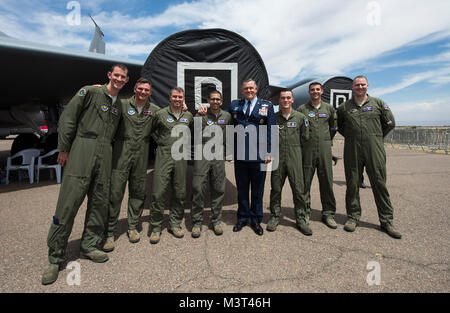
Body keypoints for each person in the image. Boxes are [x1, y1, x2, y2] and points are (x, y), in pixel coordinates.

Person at [41, 64, 129, 285]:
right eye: (116, 75)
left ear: (126, 81)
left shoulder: (118, 106)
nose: (119, 79)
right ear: (109, 75)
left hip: (104, 153)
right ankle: (55, 257)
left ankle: (89, 245)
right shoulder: (89, 92)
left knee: (99, 202)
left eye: (123, 77)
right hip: (83, 148)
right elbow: (68, 118)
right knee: (68, 203)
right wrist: (64, 148)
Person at [337, 75, 401, 239]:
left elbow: (390, 123)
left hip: (374, 149)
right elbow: (341, 127)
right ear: (352, 87)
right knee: (352, 184)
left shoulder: (378, 103)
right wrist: (354, 137)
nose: (360, 87)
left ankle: (387, 220)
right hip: (352, 149)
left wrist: (376, 137)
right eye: (357, 85)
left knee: (379, 183)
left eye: (362, 84)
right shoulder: (344, 107)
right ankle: (353, 217)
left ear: (368, 86)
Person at [103, 78, 160, 252]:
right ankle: (109, 232)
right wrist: (98, 91)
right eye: (141, 89)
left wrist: (183, 108)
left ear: (150, 92)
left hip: (142, 153)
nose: (143, 92)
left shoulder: (154, 111)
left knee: (138, 191)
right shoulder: (121, 105)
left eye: (147, 90)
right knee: (115, 192)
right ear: (135, 89)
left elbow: (166, 120)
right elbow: (104, 112)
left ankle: (133, 227)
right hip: (122, 152)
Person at [228, 79, 276, 236]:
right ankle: (242, 217)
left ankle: (256, 219)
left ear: (256, 89)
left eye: (251, 88)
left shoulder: (266, 106)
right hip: (240, 155)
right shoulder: (235, 105)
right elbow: (227, 126)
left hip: (259, 155)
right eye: (246, 88)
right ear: (242, 91)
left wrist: (270, 151)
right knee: (242, 189)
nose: (249, 90)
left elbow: (271, 129)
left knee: (257, 189)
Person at [149, 87, 194, 244]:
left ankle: (174, 224)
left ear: (183, 99)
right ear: (170, 98)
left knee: (180, 192)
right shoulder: (160, 114)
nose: (177, 99)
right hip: (164, 155)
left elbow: (195, 131)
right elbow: (149, 130)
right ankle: (155, 227)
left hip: (181, 156)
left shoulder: (188, 116)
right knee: (158, 192)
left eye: (180, 97)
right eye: (175, 96)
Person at [267, 89, 311, 235]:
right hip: (277, 159)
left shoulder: (300, 118)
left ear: (292, 100)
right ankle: (274, 216)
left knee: (299, 189)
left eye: (288, 98)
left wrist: (302, 160)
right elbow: (268, 138)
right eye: (283, 98)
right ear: (279, 101)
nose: (285, 100)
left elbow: (305, 140)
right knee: (276, 189)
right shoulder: (273, 117)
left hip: (295, 158)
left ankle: (301, 219)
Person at [190, 90, 232, 238]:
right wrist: (198, 115)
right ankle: (196, 222)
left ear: (221, 101)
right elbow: (194, 133)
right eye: (212, 99)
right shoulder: (201, 115)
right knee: (198, 187)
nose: (215, 101)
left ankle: (216, 220)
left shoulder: (226, 116)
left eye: (217, 99)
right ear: (208, 100)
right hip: (203, 154)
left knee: (219, 188)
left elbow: (229, 135)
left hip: (218, 155)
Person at [297, 82, 338, 229]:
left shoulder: (329, 109)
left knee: (327, 182)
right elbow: (299, 129)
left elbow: (334, 128)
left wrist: (325, 140)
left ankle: (328, 213)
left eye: (317, 89)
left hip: (324, 150)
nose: (315, 92)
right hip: (307, 150)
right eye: (312, 90)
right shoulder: (302, 109)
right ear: (309, 92)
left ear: (322, 91)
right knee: (305, 183)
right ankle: (304, 213)